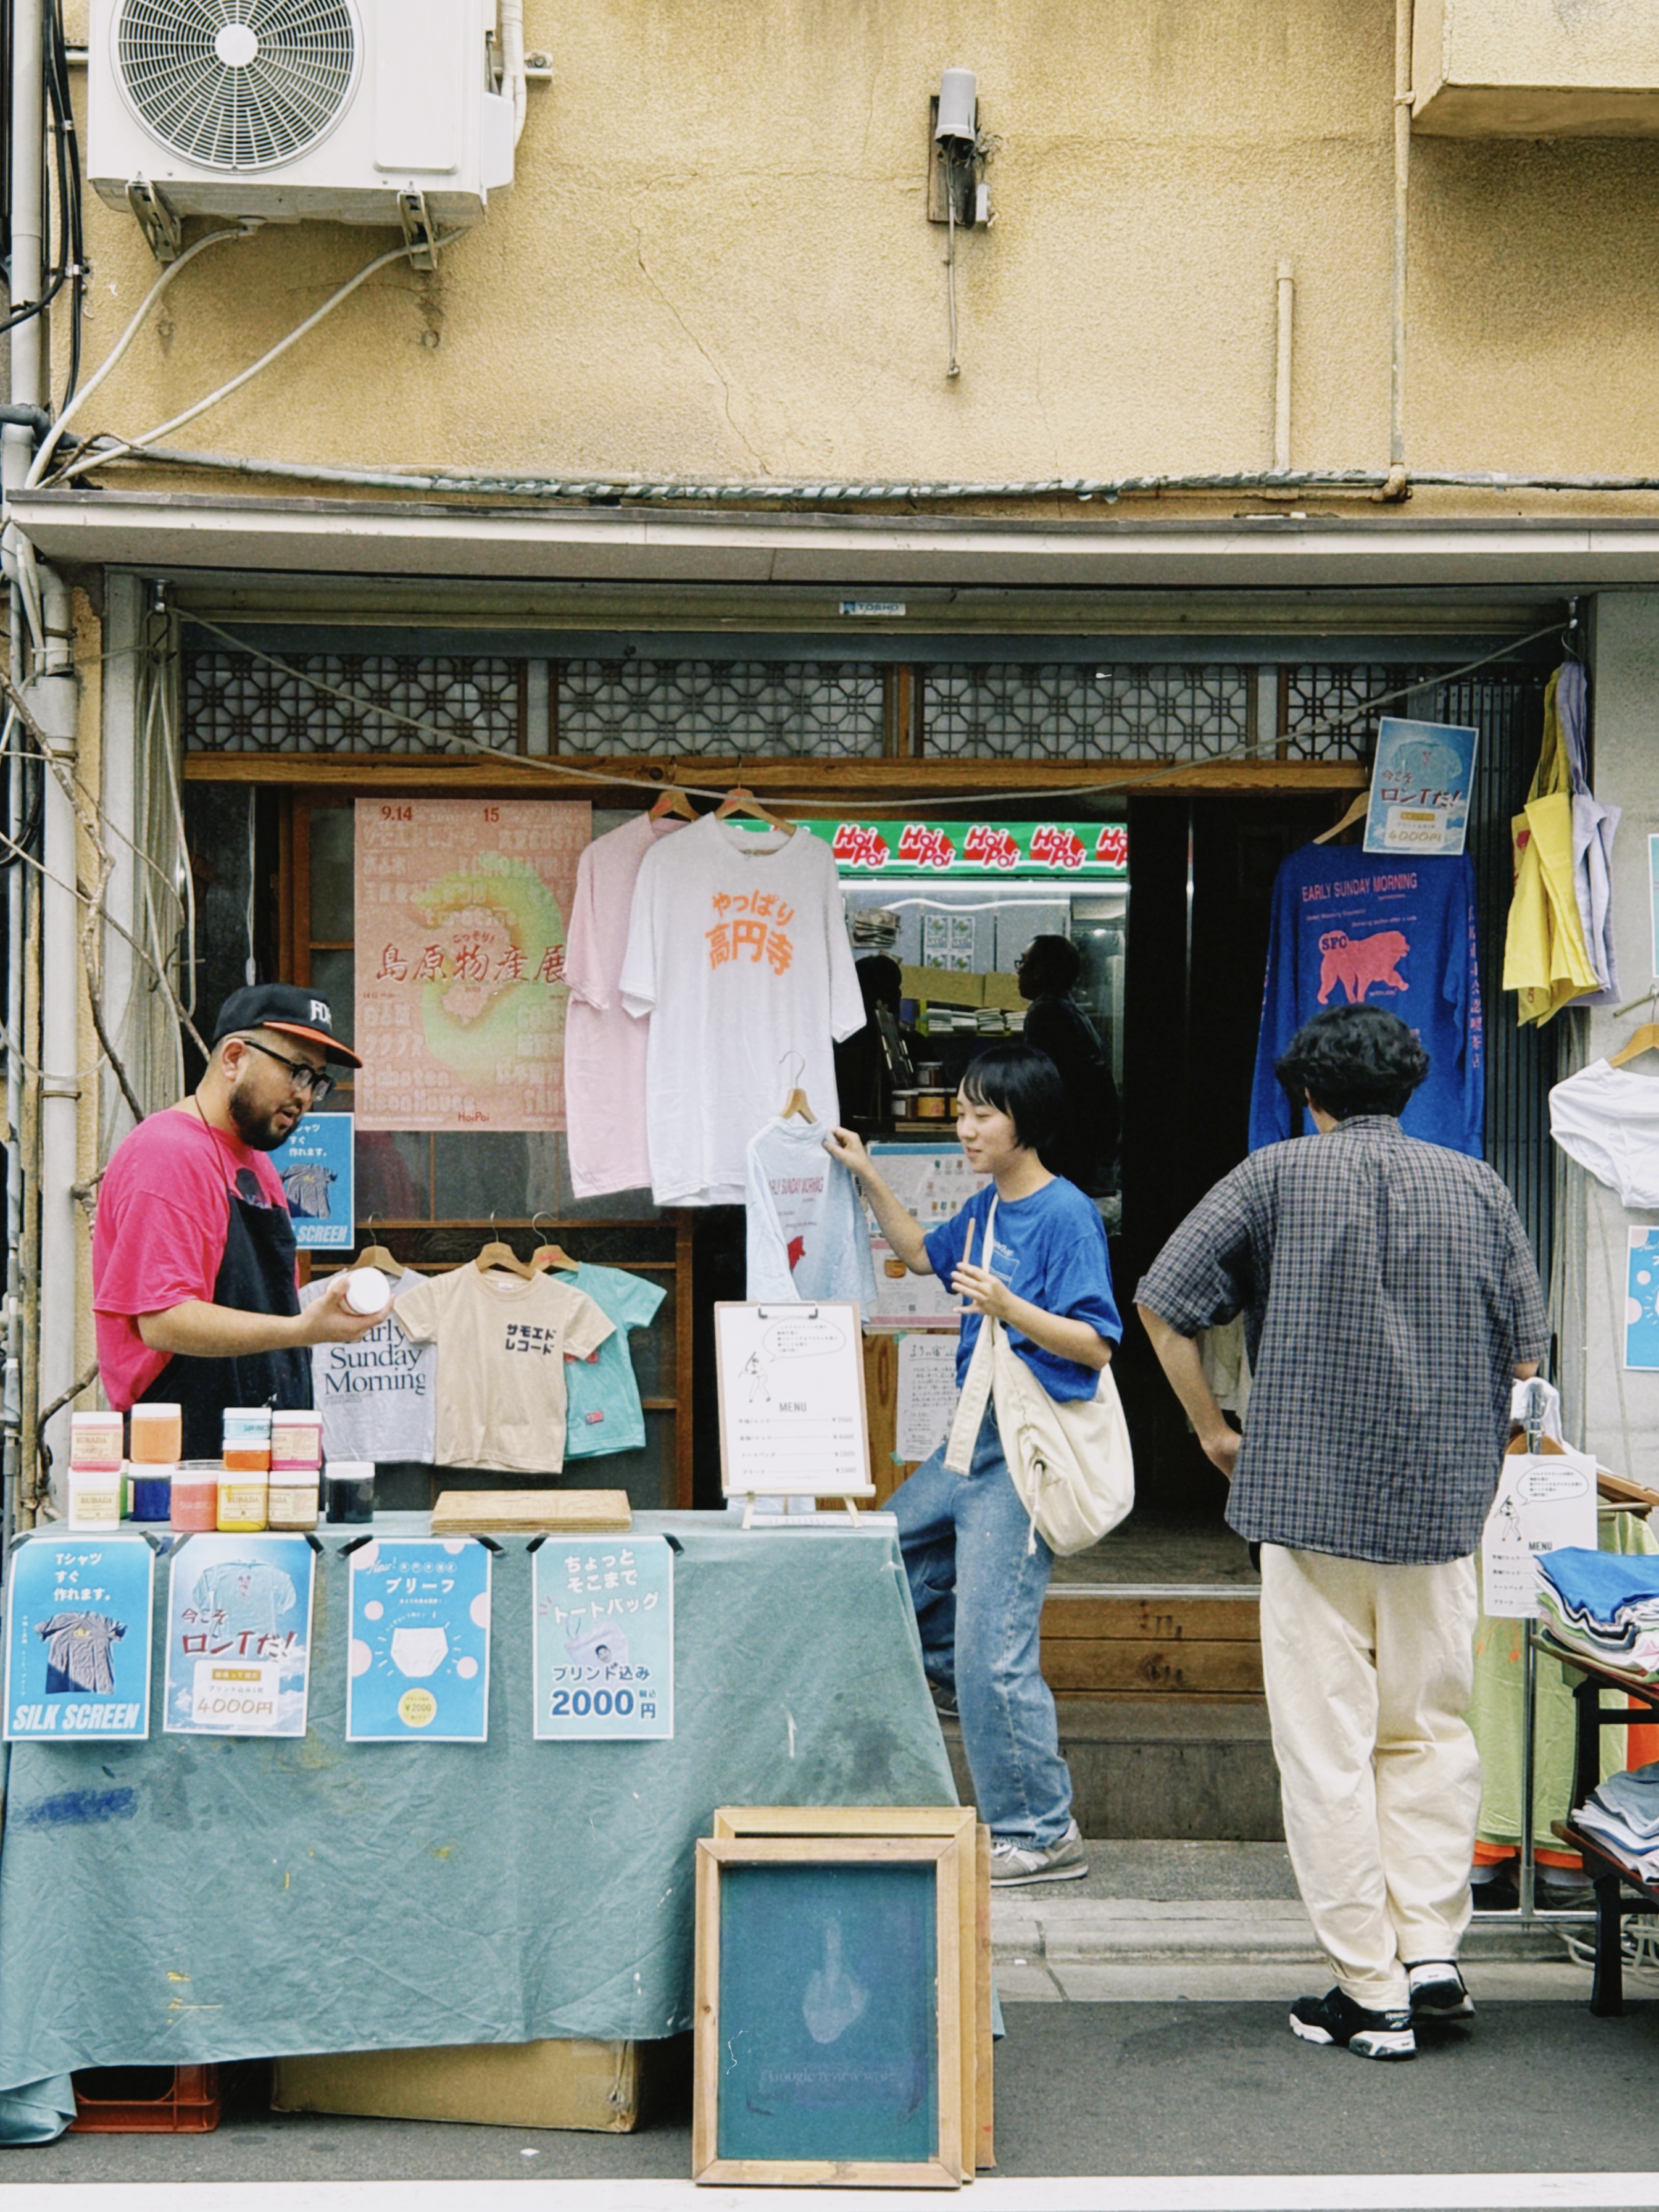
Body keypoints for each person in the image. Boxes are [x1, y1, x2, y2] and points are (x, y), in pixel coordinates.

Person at [1134, 1004, 1548, 2061]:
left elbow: (1162, 1300)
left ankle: (1368, 1987)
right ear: (1410, 1088)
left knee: (1328, 1750)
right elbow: (1524, 1362)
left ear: (1305, 1094)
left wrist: (1212, 1430)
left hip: (1306, 1505)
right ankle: (1431, 1953)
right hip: (1439, 1514)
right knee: (1429, 1735)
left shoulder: (1273, 1173)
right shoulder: (1480, 1186)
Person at [826, 1041, 1122, 1884]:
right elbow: (921, 1254)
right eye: (961, 1110)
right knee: (874, 1563)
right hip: (966, 1442)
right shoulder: (989, 1207)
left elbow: (1097, 1347)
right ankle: (951, 1672)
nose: (965, 1127)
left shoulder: (1067, 1216)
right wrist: (868, 1172)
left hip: (1019, 1457)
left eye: (980, 1112)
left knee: (997, 1651)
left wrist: (1009, 1306)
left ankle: (1040, 1830)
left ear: (1025, 1123)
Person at [93, 984, 391, 1462]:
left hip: (262, 1452)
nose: (305, 1097)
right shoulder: (167, 1153)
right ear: (234, 1057)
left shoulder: (258, 1167)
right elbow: (164, 1320)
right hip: (186, 1462)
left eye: (316, 1080)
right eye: (295, 1070)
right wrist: (302, 1331)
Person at [1015, 935, 1120, 1195]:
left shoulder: (1045, 1013)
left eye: (1023, 963)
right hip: (1087, 1143)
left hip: (1067, 1146)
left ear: (1038, 972)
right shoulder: (1070, 1010)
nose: (1018, 972)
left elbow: (1041, 1086)